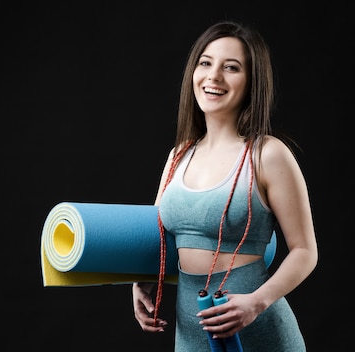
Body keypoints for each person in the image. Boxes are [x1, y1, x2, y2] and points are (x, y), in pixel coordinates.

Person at [131, 21, 318, 351]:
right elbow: (162, 236)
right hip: (190, 333)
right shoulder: (178, 156)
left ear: (251, 82)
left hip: (259, 329)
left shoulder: (268, 154)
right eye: (206, 63)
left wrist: (256, 303)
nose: (214, 76)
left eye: (231, 68)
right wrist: (142, 283)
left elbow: (305, 252)